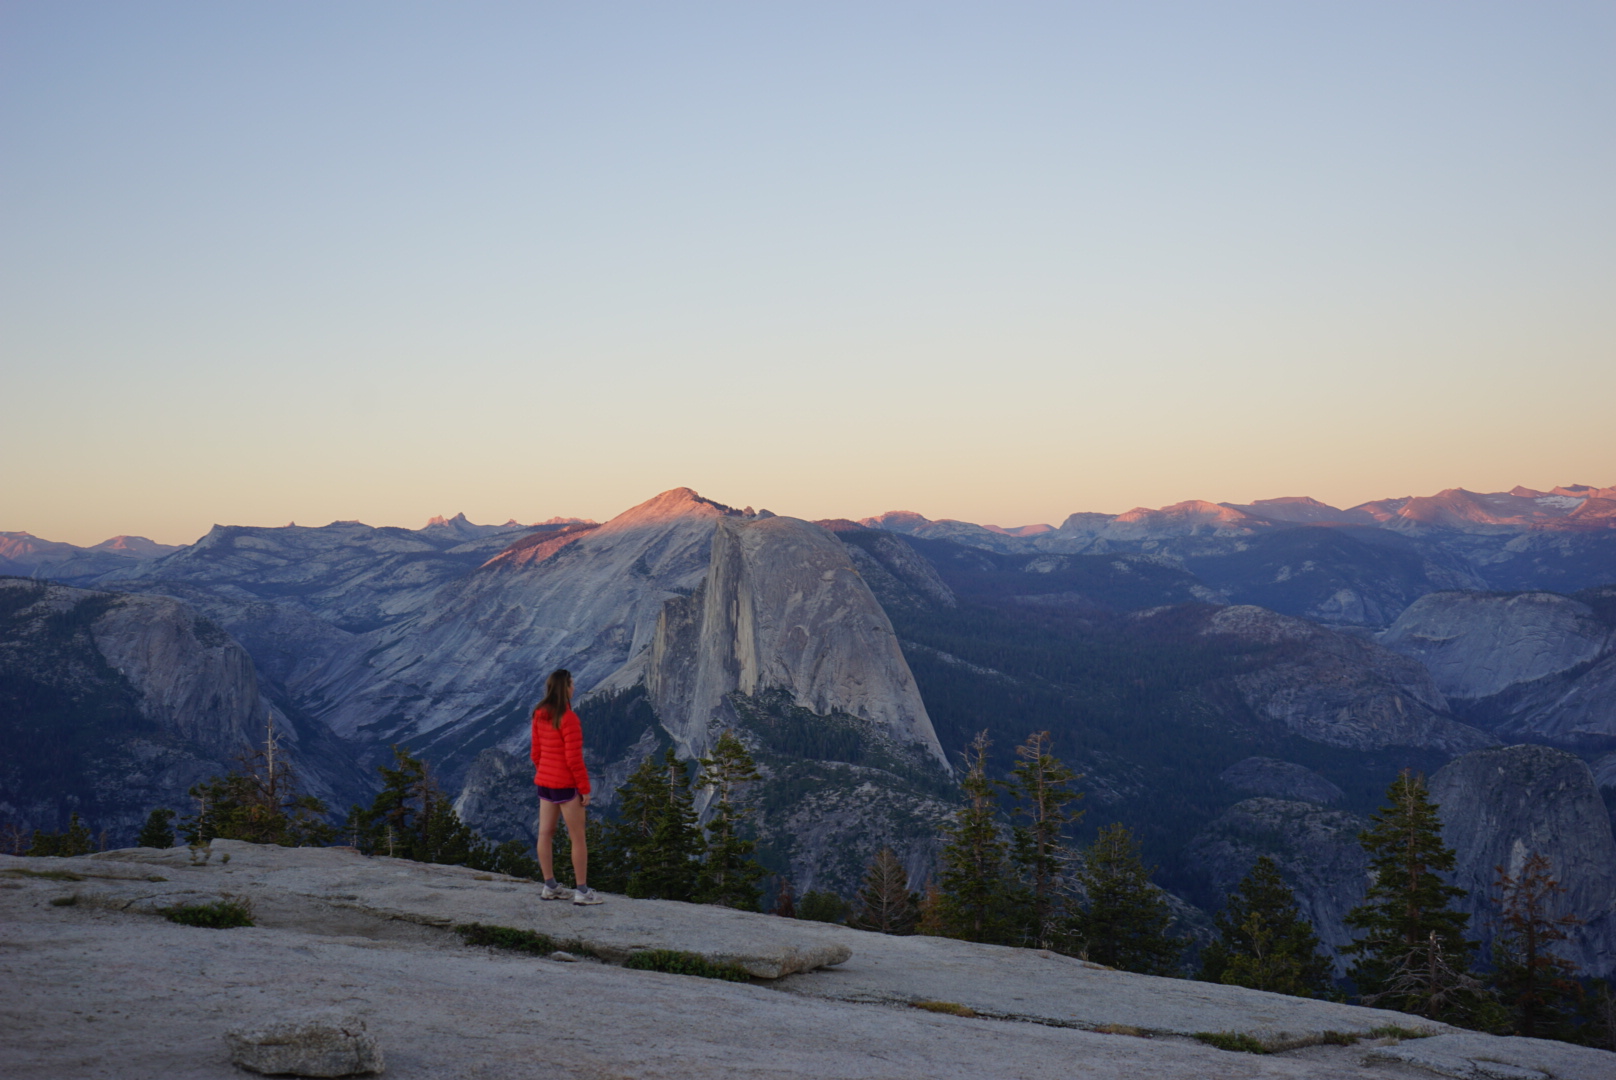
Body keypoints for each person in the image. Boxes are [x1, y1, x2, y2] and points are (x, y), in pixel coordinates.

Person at [530, 668, 603, 905]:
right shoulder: (568, 718)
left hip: (545, 783)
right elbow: (573, 759)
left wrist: (545, 771)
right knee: (577, 837)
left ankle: (549, 886)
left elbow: (535, 753)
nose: (574, 687)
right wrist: (584, 789)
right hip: (565, 785)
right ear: (565, 688)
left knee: (545, 833)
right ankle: (582, 892)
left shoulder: (539, 713)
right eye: (572, 684)